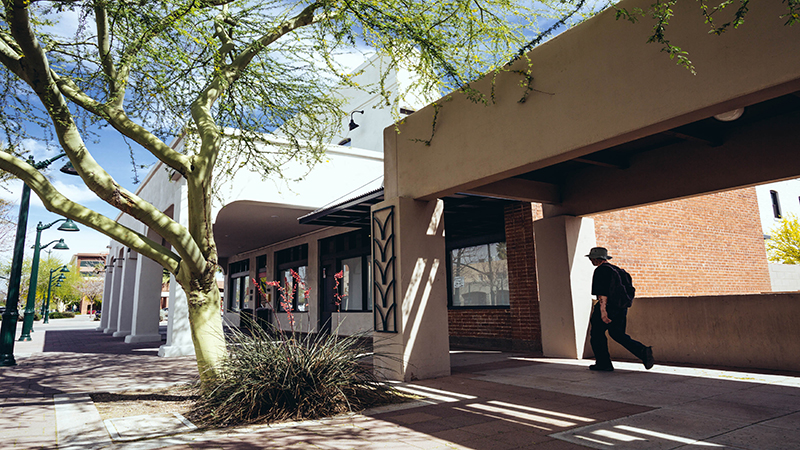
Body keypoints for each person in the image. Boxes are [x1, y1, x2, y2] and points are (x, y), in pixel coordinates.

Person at [587, 247, 654, 372]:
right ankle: (642, 351)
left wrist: (603, 312)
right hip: (621, 308)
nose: (591, 261)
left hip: (608, 307)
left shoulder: (601, 271)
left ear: (597, 259)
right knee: (618, 334)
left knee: (596, 334)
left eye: (592, 258)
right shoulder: (619, 271)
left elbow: (602, 294)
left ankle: (603, 363)